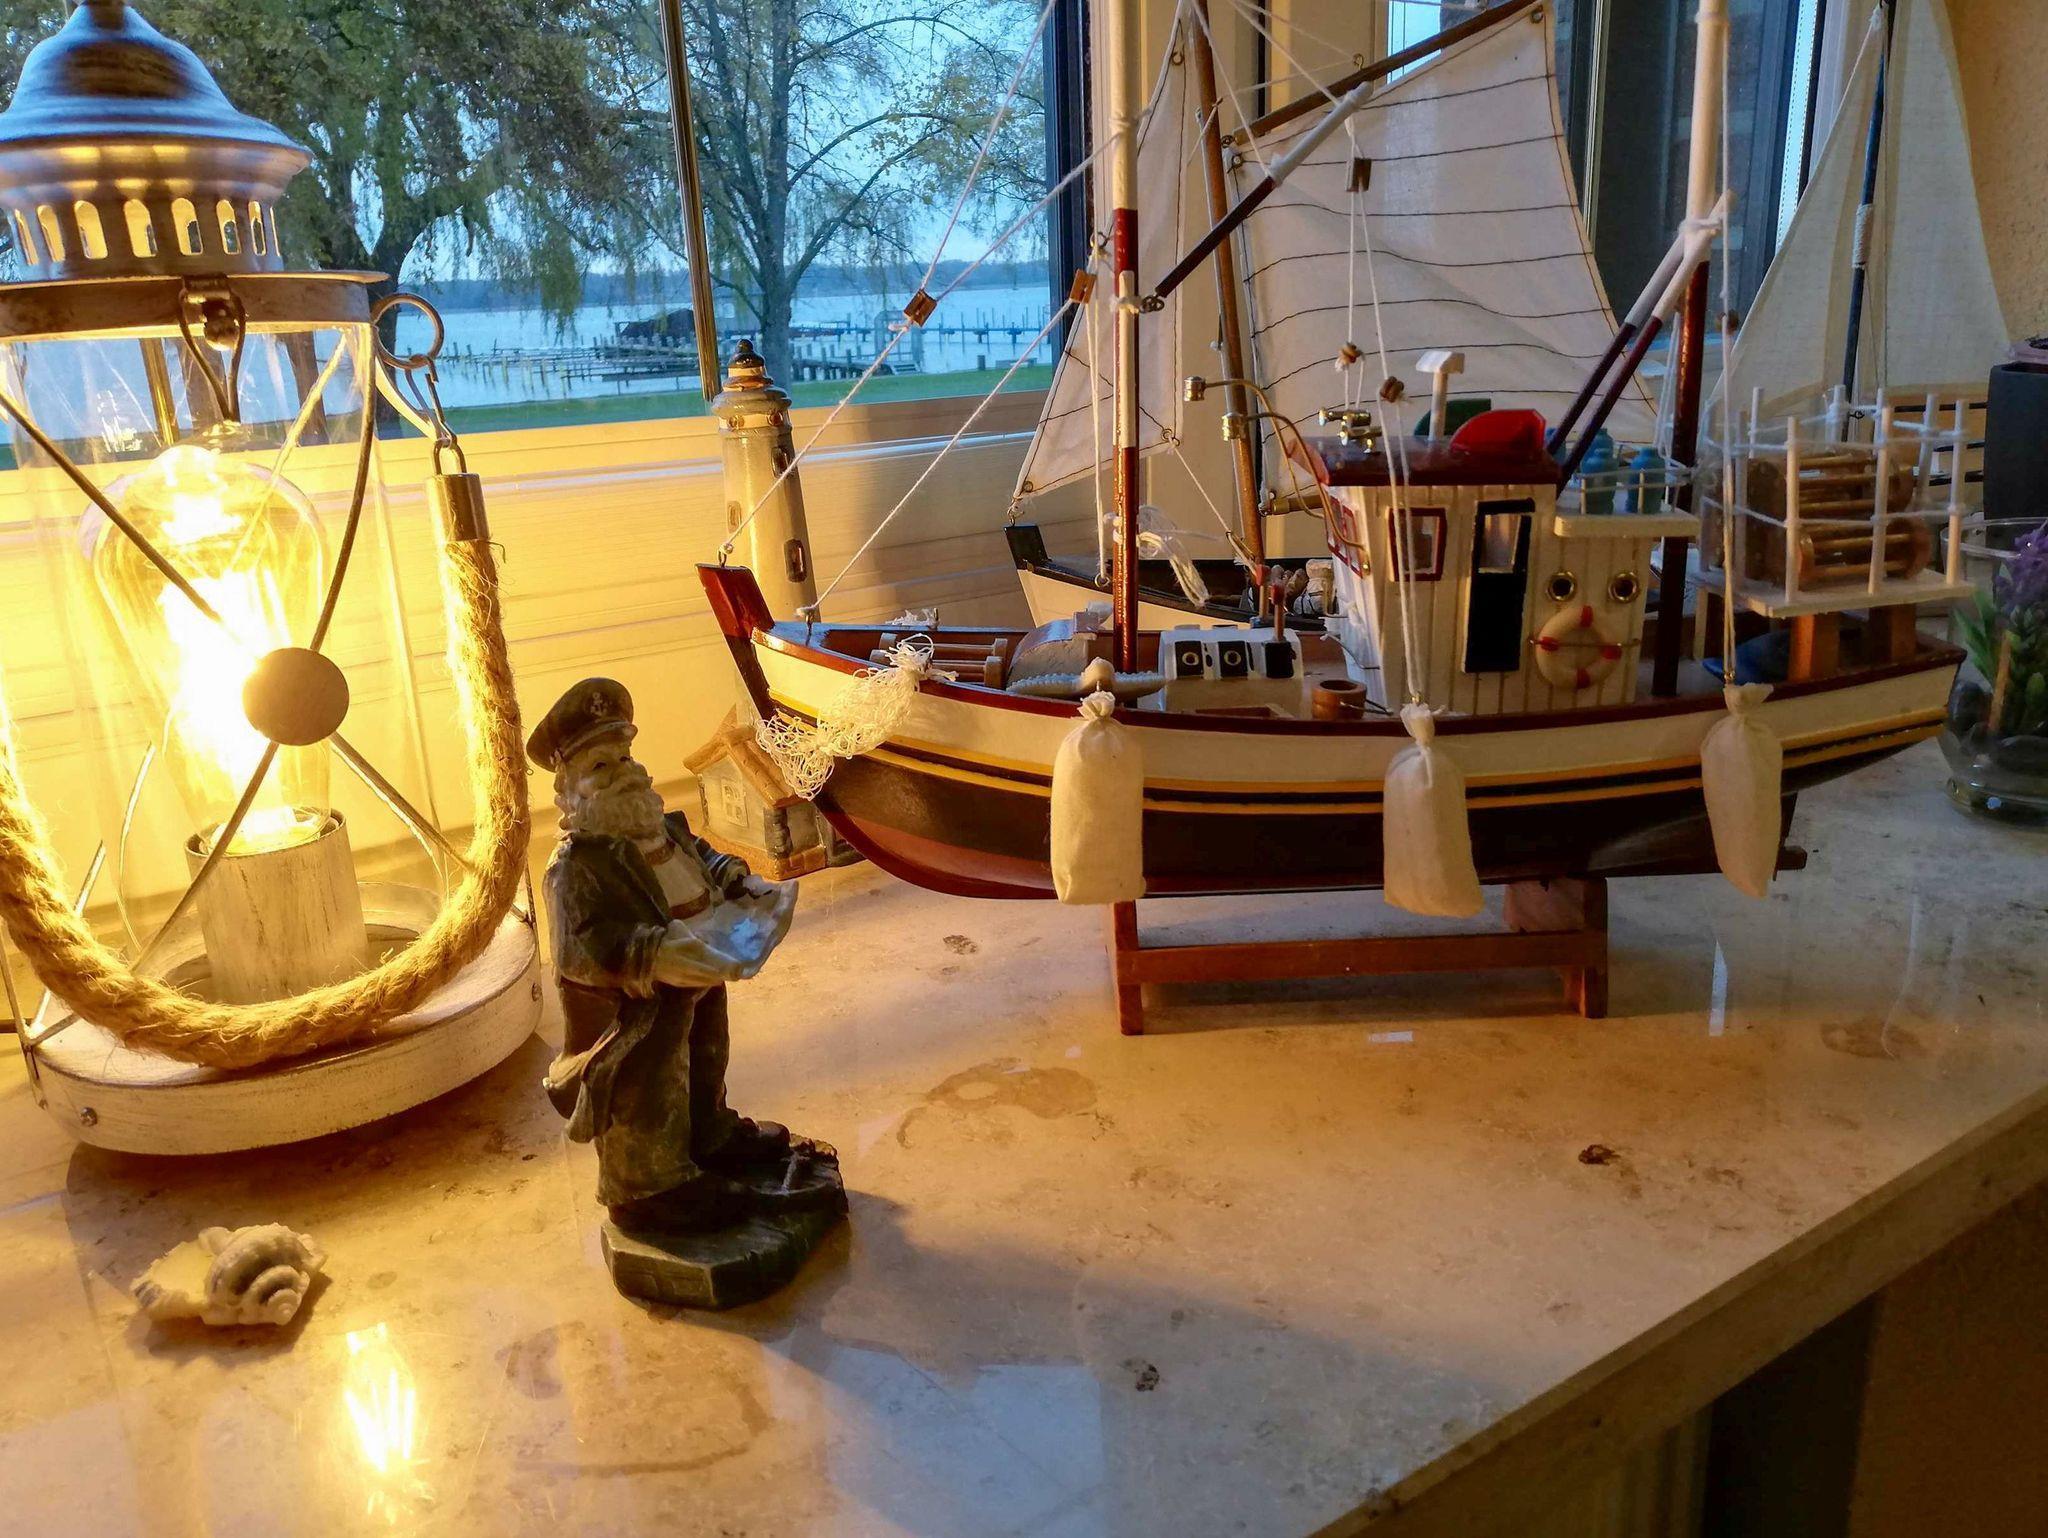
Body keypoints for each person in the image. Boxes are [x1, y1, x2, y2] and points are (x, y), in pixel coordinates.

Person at [527, 678, 818, 1235]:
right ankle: (650, 1185)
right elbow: (580, 950)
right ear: (569, 792)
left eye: (624, 758)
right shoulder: (577, 867)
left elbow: (704, 859)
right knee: (651, 1083)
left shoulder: (660, 827)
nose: (625, 773)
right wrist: (650, 955)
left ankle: (708, 1132)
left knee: (707, 1051)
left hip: (700, 964)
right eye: (600, 767)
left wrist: (737, 880)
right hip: (636, 1010)